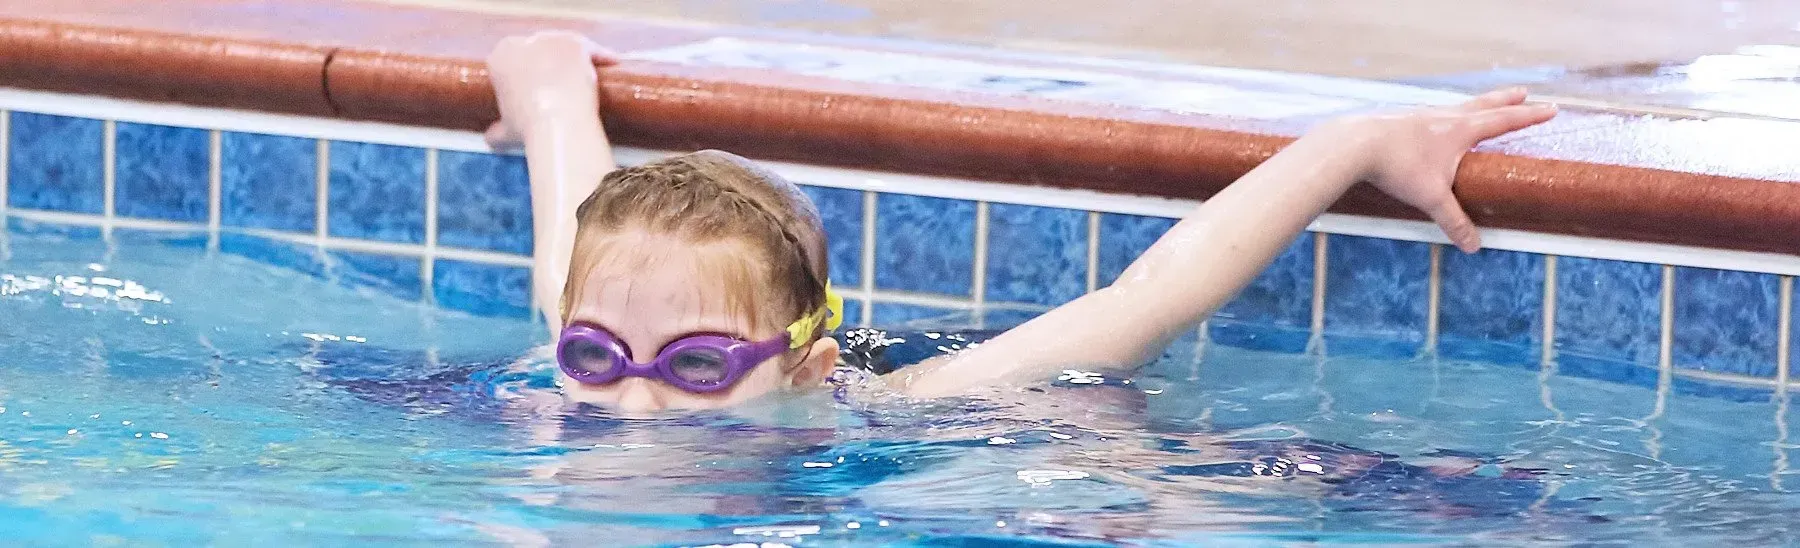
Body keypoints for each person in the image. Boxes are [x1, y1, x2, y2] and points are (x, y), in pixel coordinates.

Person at [483, 31, 1557, 413]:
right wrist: (549, 88)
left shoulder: (896, 406)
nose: (633, 403)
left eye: (697, 367)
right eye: (592, 357)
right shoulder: (599, 317)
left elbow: (1139, 304)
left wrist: (1357, 144)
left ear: (802, 368)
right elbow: (564, 209)